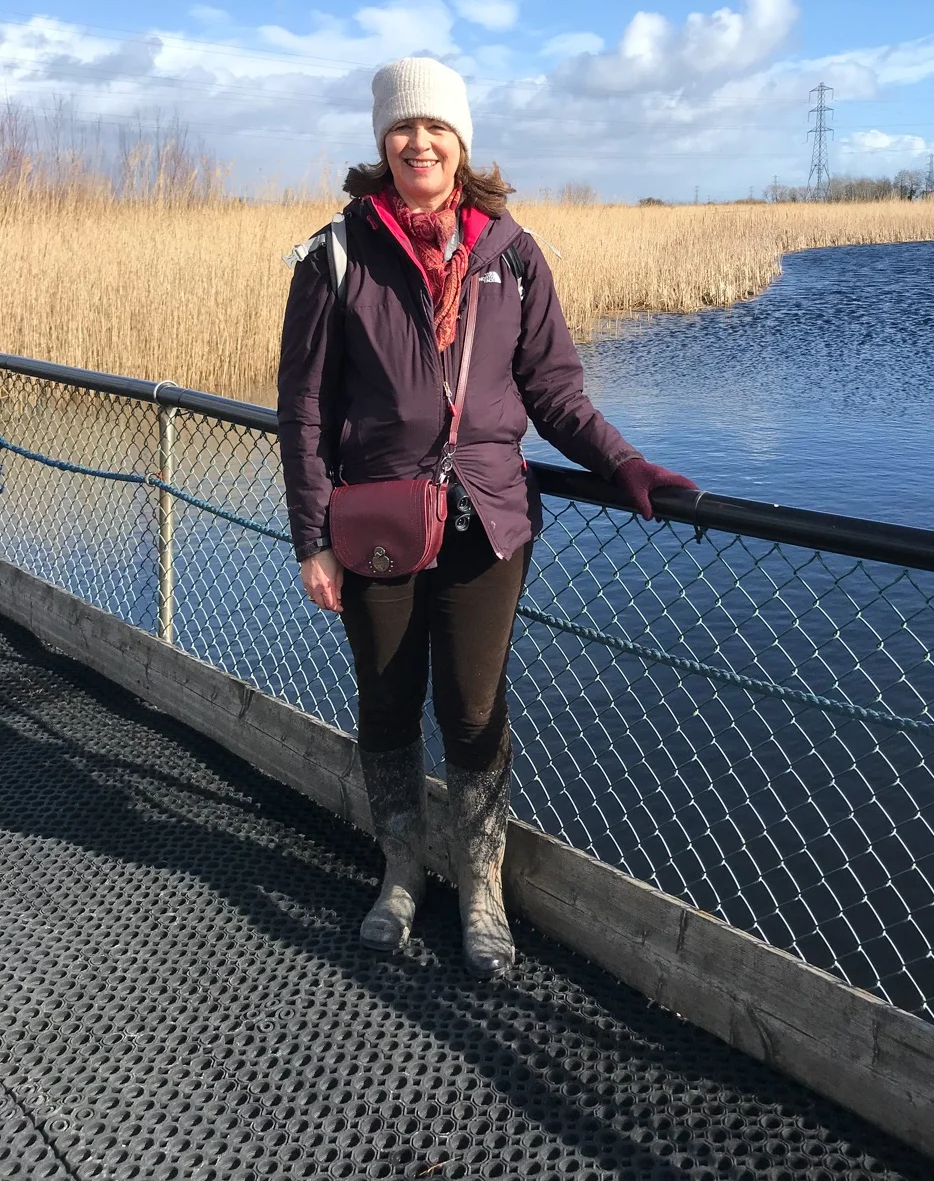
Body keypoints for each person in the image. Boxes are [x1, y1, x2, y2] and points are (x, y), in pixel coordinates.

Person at [277, 56, 696, 977]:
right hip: (375, 520)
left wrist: (622, 462)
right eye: (400, 129)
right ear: (381, 145)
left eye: (435, 129)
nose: (417, 142)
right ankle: (397, 871)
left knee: (471, 711)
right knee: (387, 701)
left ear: (462, 144)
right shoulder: (335, 253)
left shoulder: (512, 252)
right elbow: (303, 409)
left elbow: (554, 390)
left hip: (488, 520)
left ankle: (480, 886)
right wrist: (312, 537)